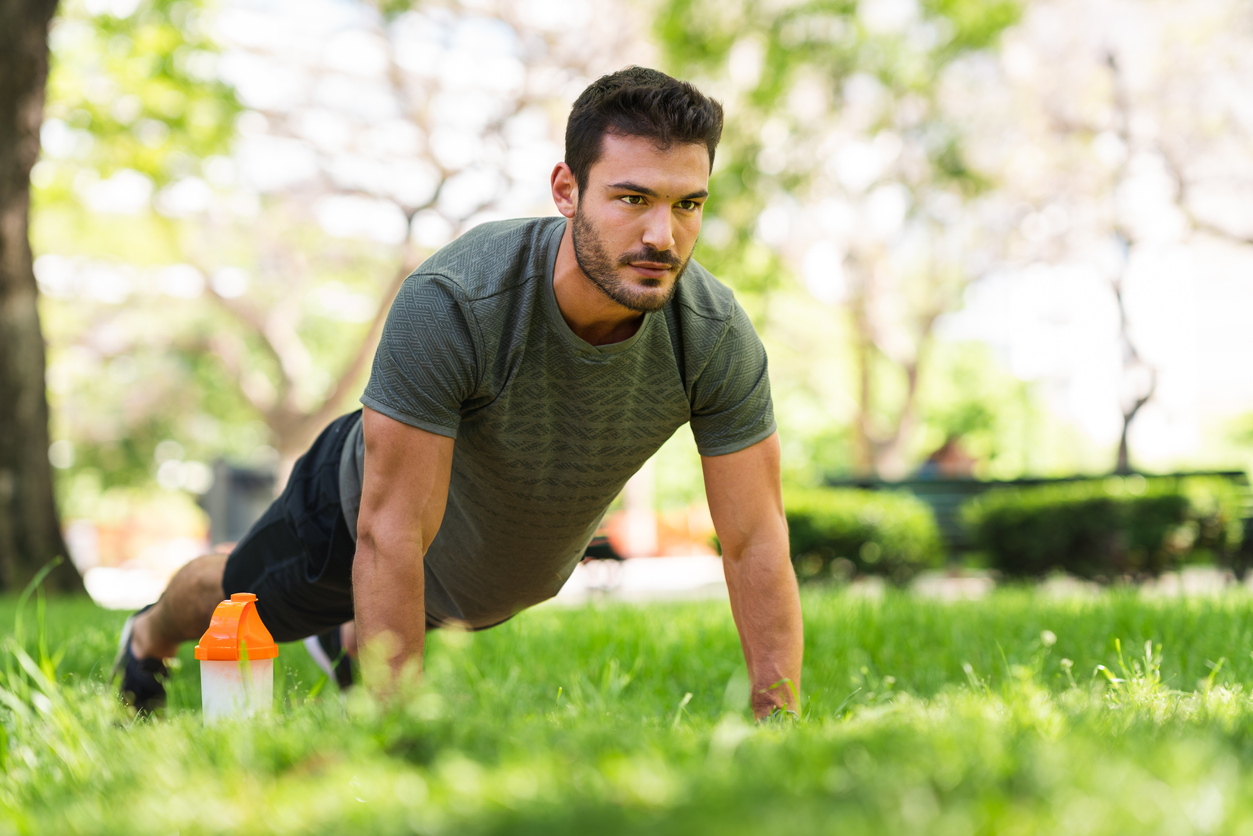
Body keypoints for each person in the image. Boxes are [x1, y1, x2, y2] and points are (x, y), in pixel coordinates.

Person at [114, 67, 804, 719]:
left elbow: (754, 539)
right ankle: (147, 638)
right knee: (233, 595)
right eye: (631, 199)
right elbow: (387, 536)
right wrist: (400, 733)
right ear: (566, 190)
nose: (663, 235)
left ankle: (355, 633)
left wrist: (780, 726)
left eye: (688, 204)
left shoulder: (712, 334)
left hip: (481, 578)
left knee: (398, 603)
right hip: (353, 518)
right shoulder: (458, 300)